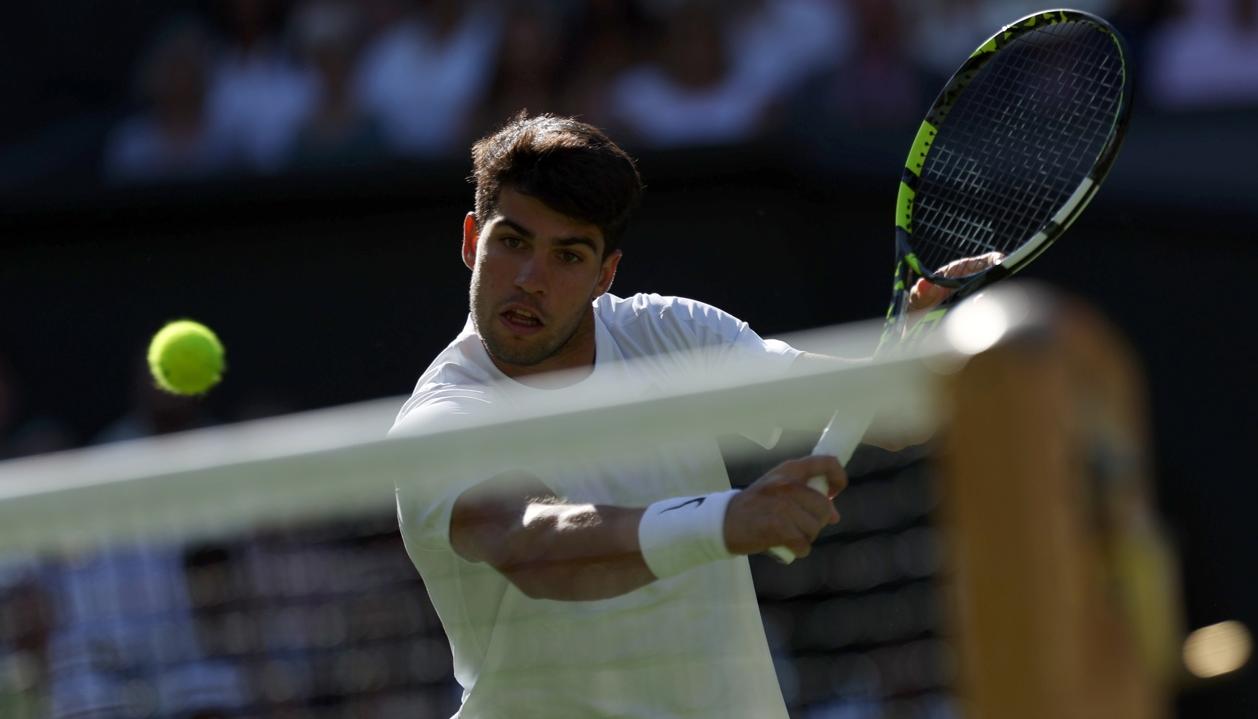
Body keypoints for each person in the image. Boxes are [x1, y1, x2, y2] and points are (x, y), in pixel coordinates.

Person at [389, 112, 973, 718]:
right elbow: (539, 547)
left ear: (603, 275)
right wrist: (726, 519)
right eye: (512, 242)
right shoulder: (442, 417)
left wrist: (908, 359)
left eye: (568, 255)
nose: (532, 279)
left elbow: (896, 422)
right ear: (470, 240)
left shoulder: (672, 334)